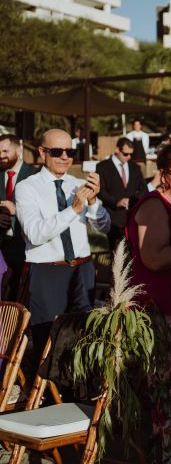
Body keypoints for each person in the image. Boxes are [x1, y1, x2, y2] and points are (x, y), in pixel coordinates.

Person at [126, 144, 171, 464]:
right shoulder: (153, 205)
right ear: (163, 174)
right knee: (169, 398)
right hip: (158, 314)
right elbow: (153, 258)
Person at [15, 129, 110, 366]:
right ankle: (48, 396)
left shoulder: (78, 184)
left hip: (83, 268)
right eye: (57, 151)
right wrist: (73, 210)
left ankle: (79, 394)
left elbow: (103, 227)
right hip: (48, 270)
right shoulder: (27, 187)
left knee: (84, 337)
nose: (65, 157)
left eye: (70, 151)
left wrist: (93, 202)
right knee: (48, 339)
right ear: (42, 152)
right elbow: (35, 234)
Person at [0, 134, 37, 301]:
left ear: (19, 150)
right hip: (3, 243)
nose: (1, 155)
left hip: (25, 243)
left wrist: (17, 211)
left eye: (5, 151)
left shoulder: (35, 175)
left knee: (24, 291)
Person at [96, 138, 149, 251]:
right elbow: (100, 191)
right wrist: (116, 202)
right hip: (113, 217)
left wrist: (134, 200)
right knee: (116, 254)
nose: (129, 157)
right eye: (126, 154)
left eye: (131, 154)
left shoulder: (135, 167)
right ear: (117, 150)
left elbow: (144, 188)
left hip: (133, 217)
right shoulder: (102, 166)